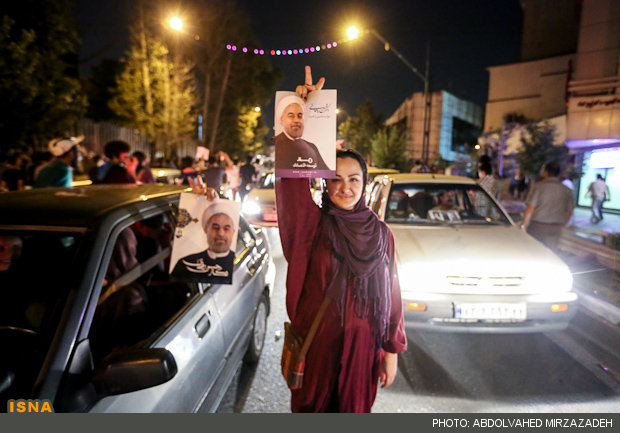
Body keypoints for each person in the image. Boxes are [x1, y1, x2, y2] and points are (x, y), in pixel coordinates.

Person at [274, 66, 407, 413]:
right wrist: (301, 118)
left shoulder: (380, 233)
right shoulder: (312, 226)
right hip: (318, 345)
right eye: (335, 179)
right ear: (324, 183)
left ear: (365, 184)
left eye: (354, 179)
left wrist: (391, 350)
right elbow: (290, 186)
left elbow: (392, 294)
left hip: (364, 348)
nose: (345, 188)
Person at [171, 201, 236, 284]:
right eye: (215, 228)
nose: (220, 233)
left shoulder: (236, 261)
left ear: (233, 232)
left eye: (226, 228)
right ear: (206, 230)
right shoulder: (186, 263)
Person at [521, 161, 574, 253]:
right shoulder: (567, 190)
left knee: (534, 250)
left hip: (537, 226)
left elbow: (531, 207)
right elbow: (569, 211)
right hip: (556, 226)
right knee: (552, 253)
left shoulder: (538, 187)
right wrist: (563, 225)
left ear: (545, 172)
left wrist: (524, 225)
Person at [274, 95, 329, 172]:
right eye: (291, 116)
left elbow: (326, 173)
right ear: (282, 119)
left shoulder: (311, 147)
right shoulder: (276, 144)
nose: (296, 120)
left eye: (300, 116)